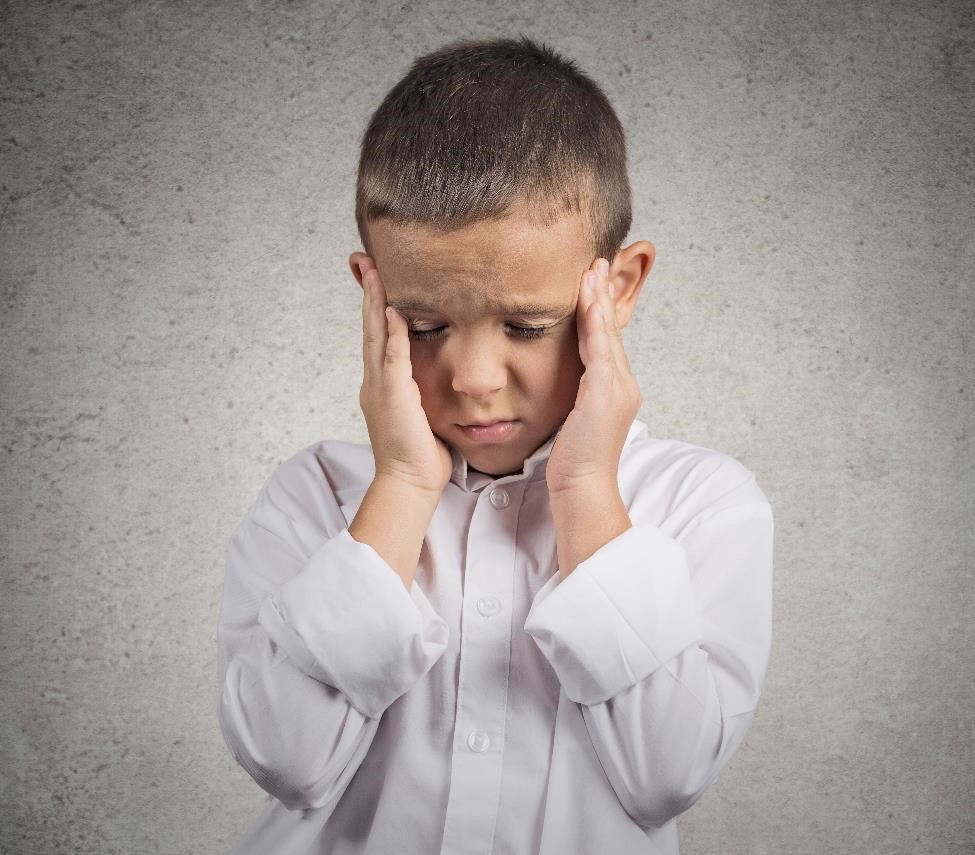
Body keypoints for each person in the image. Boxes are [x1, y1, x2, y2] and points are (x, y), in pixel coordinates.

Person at [217, 35, 774, 855]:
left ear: (616, 288)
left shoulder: (702, 504)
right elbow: (287, 762)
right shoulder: (317, 497)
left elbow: (664, 774)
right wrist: (404, 484)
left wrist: (586, 487)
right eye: (425, 324)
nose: (473, 377)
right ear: (372, 292)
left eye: (525, 325)